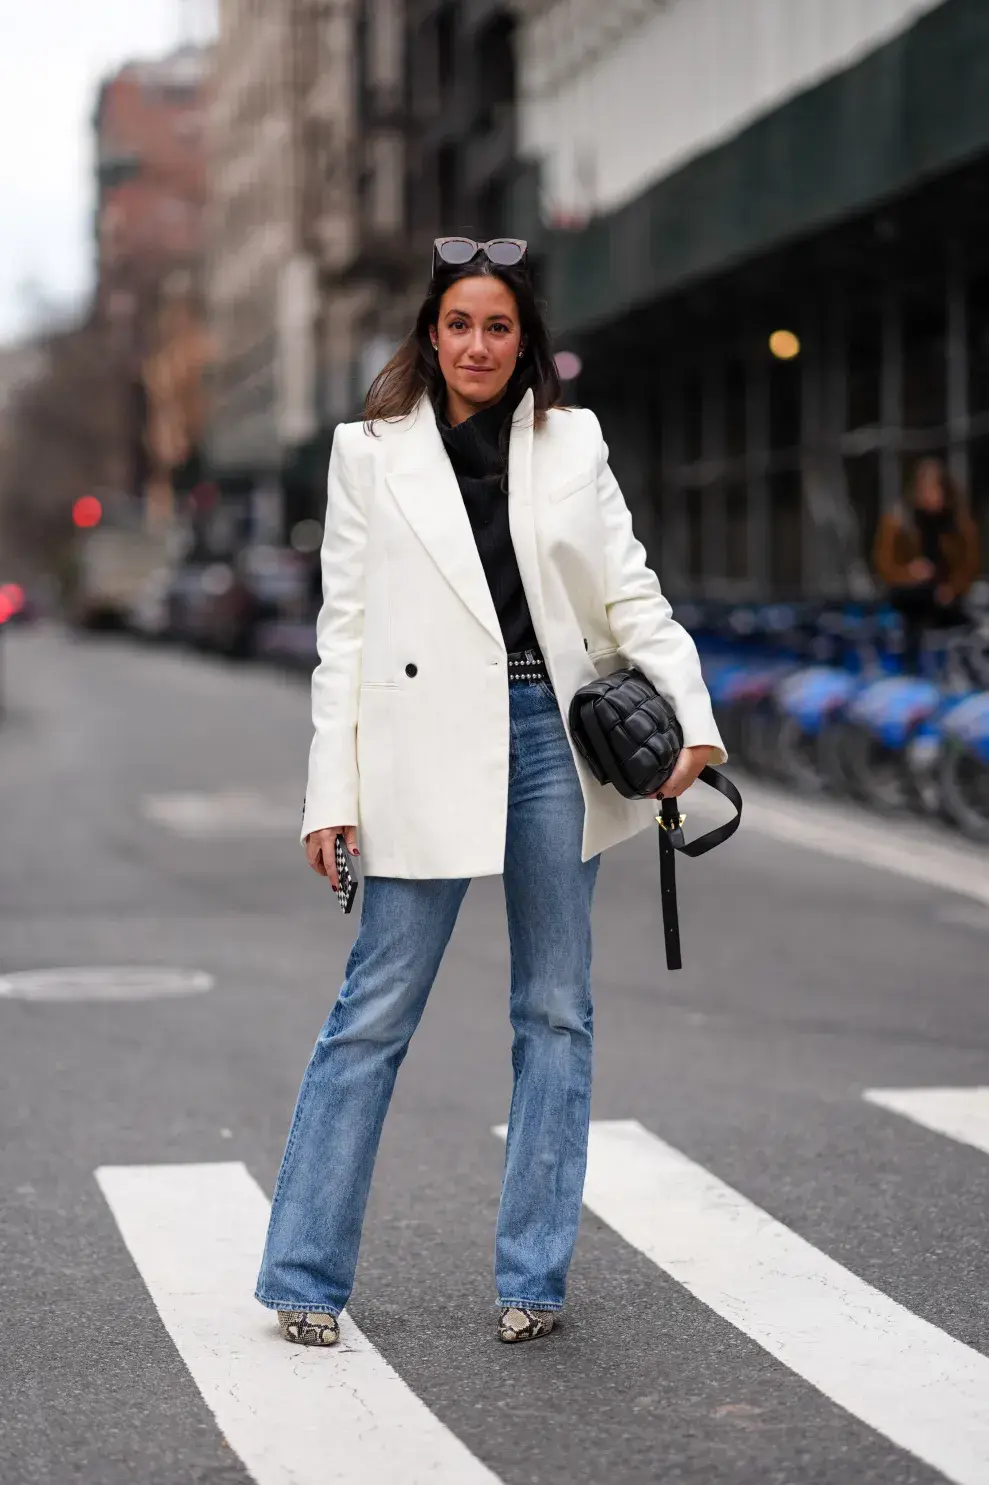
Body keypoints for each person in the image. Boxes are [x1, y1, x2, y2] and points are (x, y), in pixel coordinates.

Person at [254, 236, 726, 1347]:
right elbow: (346, 636)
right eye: (459, 324)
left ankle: (534, 1278)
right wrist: (332, 794)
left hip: (549, 741)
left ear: (526, 343)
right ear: (431, 333)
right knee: (372, 1013)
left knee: (556, 1011)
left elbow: (630, 590)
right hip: (422, 744)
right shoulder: (368, 455)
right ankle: (304, 1279)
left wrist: (692, 720)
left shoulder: (574, 443)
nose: (478, 344)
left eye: (499, 326)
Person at [873, 457, 981, 673]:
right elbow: (884, 566)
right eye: (925, 490)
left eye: (934, 490)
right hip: (910, 593)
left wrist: (951, 589)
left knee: (964, 618)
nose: (930, 496)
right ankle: (912, 668)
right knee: (914, 607)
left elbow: (969, 566)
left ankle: (964, 667)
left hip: (947, 596)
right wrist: (910, 573)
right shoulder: (898, 520)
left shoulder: (959, 523)